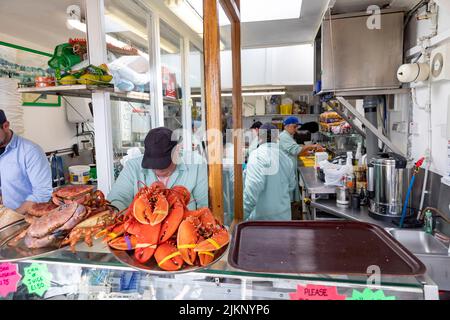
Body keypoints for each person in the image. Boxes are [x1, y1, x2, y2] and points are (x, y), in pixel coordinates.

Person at [107, 127, 208, 211]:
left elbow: (205, 206)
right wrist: (114, 212)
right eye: (152, 163)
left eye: (162, 162)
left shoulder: (197, 164)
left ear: (177, 150)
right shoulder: (132, 167)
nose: (157, 168)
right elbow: (117, 199)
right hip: (141, 231)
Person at [0, 109, 52, 214]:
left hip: (26, 220)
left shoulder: (30, 151)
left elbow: (42, 193)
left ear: (6, 126)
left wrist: (13, 218)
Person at [243, 123, 296, 220]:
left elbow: (252, 191)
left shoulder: (256, 156)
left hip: (263, 221)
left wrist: (241, 216)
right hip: (284, 218)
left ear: (259, 137)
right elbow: (292, 186)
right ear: (277, 138)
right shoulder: (286, 159)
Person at [279, 116, 322, 202]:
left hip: (289, 168)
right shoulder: (284, 136)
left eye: (297, 127)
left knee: (290, 191)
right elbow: (296, 150)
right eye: (294, 127)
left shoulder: (288, 136)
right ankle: (288, 210)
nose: (296, 129)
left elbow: (294, 149)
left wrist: (307, 151)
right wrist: (311, 146)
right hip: (286, 169)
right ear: (286, 126)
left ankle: (290, 207)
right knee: (287, 193)